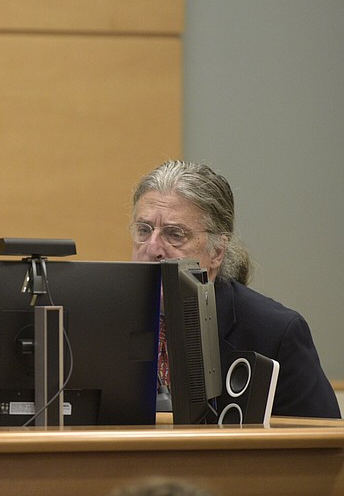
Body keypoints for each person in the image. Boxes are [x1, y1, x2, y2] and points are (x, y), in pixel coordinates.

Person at [130, 160, 340, 419]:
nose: (152, 248)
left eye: (174, 234)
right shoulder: (101, 319)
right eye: (144, 230)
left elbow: (322, 448)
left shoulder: (276, 333)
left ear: (217, 252)